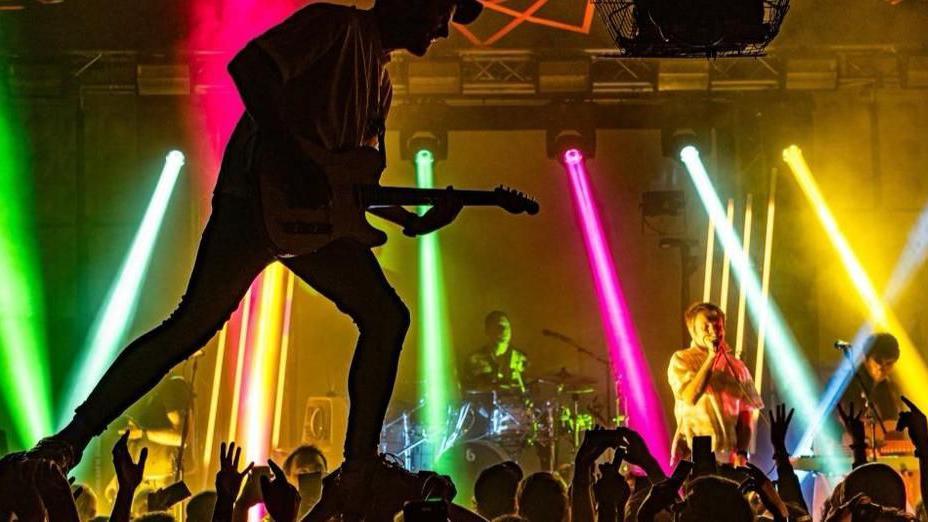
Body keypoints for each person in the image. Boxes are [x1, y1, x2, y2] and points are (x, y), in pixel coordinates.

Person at [10, 0, 484, 509]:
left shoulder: (381, 83)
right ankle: (67, 442)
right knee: (191, 326)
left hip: (310, 225)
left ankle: (359, 464)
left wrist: (413, 218)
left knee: (385, 317)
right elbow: (251, 67)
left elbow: (347, 183)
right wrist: (290, 157)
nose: (444, 28)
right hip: (252, 201)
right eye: (443, 11)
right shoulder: (336, 25)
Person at [667, 302, 764, 465]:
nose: (713, 331)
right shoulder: (682, 360)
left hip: (728, 457)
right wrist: (711, 358)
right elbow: (690, 397)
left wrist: (742, 452)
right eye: (706, 327)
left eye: (718, 326)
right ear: (693, 331)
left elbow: (746, 414)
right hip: (695, 454)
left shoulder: (738, 367)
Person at [839, 332, 903, 443]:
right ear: (865, 358)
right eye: (878, 361)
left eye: (889, 363)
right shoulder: (848, 385)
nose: (881, 368)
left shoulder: (892, 389)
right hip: (851, 452)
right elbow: (842, 427)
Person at [462, 311, 529, 391]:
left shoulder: (521, 358)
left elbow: (530, 388)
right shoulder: (474, 360)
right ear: (487, 330)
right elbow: (465, 389)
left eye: (507, 326)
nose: (504, 330)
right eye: (499, 326)